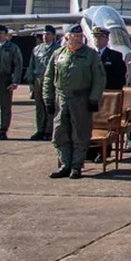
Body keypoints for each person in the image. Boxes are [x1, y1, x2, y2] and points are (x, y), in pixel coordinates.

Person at [43, 24, 106, 178]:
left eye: (80, 37)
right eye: (74, 37)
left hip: (81, 99)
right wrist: (48, 99)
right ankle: (65, 164)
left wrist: (93, 99)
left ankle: (76, 166)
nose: (78, 40)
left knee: (80, 133)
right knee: (59, 133)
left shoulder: (91, 55)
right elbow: (49, 77)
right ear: (67, 38)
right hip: (62, 98)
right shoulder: (58, 54)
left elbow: (99, 78)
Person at [25, 26, 61, 141]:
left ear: (54, 36)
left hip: (51, 81)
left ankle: (49, 130)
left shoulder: (58, 49)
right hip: (38, 79)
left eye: (48, 34)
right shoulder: (37, 49)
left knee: (50, 105)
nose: (45, 36)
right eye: (44, 34)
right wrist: (30, 81)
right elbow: (31, 66)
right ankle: (40, 130)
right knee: (39, 106)